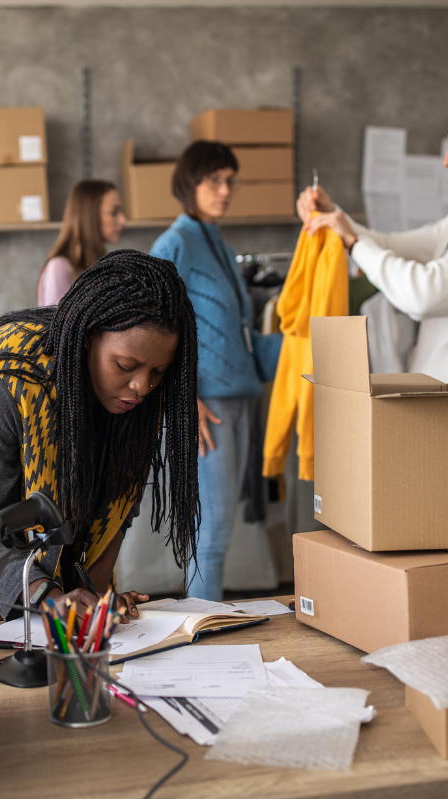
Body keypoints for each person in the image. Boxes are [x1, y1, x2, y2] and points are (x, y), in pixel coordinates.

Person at [0, 250, 201, 622]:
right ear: (87, 338)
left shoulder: (136, 397)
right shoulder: (8, 382)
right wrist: (49, 598)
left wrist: (94, 603)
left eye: (158, 370)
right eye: (126, 366)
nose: (142, 385)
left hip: (37, 575)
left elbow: (118, 509)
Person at [298, 98, 448, 382]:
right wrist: (332, 216)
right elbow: (392, 245)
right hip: (445, 398)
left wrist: (353, 243)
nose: (447, 159)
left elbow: (425, 295)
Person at [150, 141, 282, 603]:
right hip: (207, 405)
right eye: (215, 180)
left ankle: (202, 625)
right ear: (190, 184)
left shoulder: (222, 247)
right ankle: (199, 633)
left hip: (241, 398)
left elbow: (240, 335)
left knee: (222, 524)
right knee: (215, 527)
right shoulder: (175, 243)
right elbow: (150, 330)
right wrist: (182, 399)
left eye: (231, 180)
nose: (225, 189)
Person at [37, 180, 126, 306]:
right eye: (113, 212)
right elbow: (59, 323)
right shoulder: (59, 267)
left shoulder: (100, 265)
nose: (123, 220)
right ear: (89, 215)